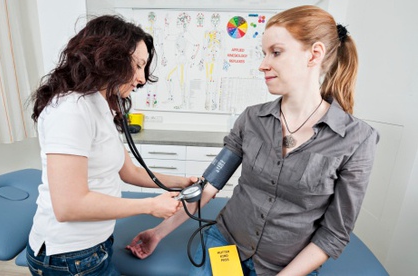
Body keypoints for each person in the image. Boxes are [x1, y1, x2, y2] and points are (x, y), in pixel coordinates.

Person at [127, 5, 379, 276]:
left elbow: (334, 234)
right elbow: (209, 185)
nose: (262, 65)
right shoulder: (251, 119)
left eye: (276, 52)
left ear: (314, 55)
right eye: (264, 53)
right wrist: (158, 232)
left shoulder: (357, 139)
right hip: (224, 244)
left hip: (286, 267)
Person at [26, 15, 196, 276]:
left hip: (94, 246)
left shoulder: (100, 103)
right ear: (109, 58)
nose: (141, 78)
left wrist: (182, 182)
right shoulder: (70, 111)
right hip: (69, 256)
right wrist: (149, 205)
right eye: (137, 66)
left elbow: (130, 172)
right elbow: (68, 206)